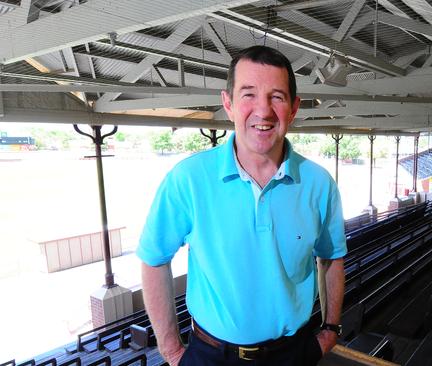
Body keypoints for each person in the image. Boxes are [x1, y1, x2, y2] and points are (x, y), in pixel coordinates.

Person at [137, 45, 347, 366]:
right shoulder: (189, 178)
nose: (262, 111)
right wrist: (172, 351)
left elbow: (330, 258)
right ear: (228, 103)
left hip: (292, 354)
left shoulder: (319, 183)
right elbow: (154, 259)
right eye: (248, 94)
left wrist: (330, 329)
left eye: (277, 96)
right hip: (210, 355)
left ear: (293, 108)